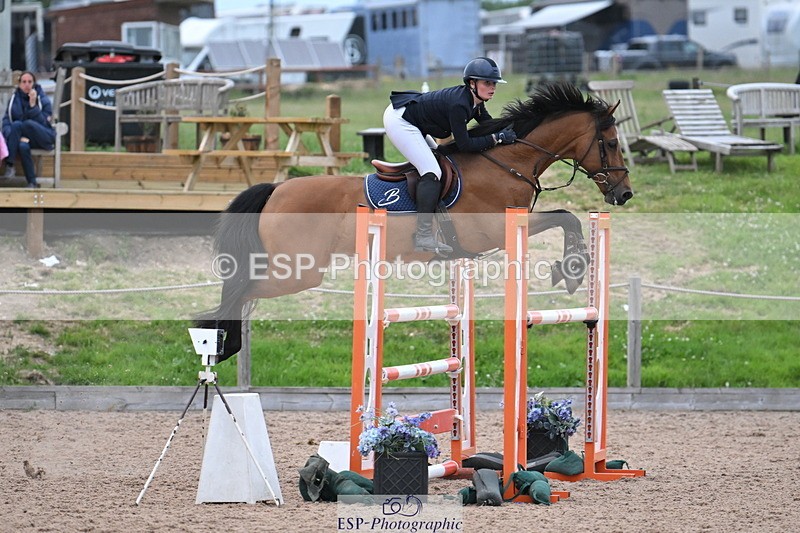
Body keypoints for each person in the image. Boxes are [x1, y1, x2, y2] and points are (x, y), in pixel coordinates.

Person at [383, 57, 516, 254]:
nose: (492, 87)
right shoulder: (459, 105)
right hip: (400, 121)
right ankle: (423, 236)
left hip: (414, 119)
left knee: (440, 161)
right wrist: (497, 138)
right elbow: (465, 144)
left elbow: (488, 125)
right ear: (472, 83)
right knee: (432, 171)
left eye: (494, 83)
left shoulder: (476, 102)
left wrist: (512, 131)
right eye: (487, 82)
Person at [2, 71, 56, 188]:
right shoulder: (13, 100)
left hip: (43, 137)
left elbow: (44, 123)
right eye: (24, 82)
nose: (27, 85)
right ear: (19, 84)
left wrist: (33, 105)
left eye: (30, 82)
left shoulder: (43, 99)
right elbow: (6, 124)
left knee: (21, 124)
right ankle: (32, 182)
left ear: (34, 84)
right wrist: (17, 138)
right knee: (22, 146)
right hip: (23, 139)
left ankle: (9, 164)